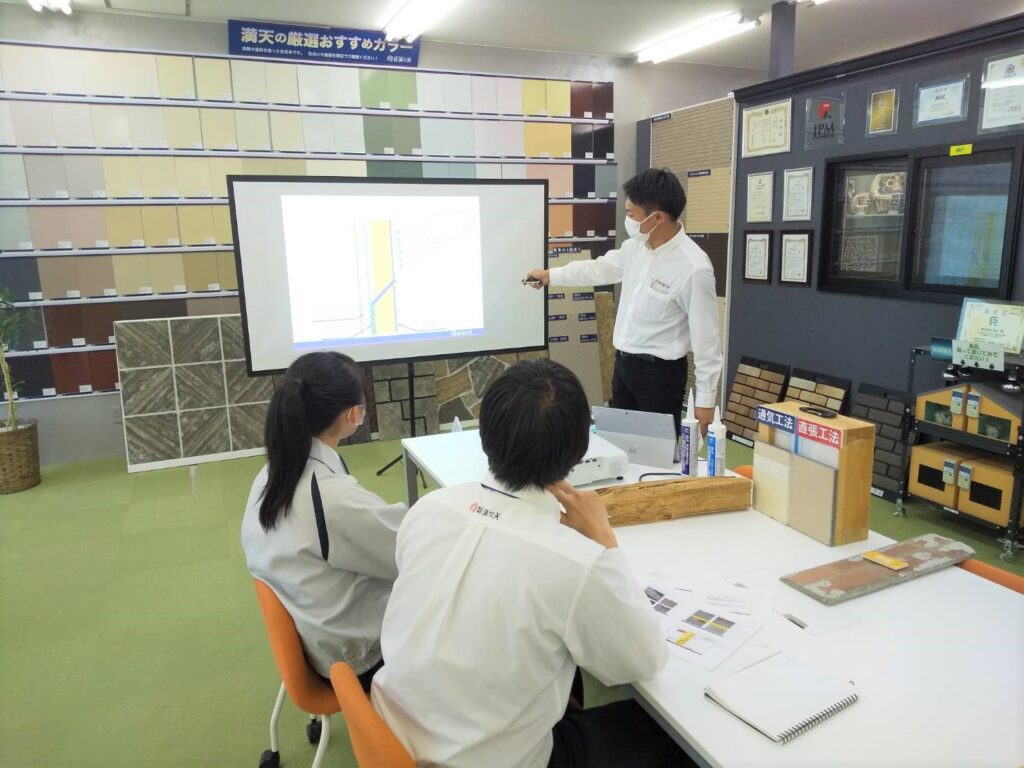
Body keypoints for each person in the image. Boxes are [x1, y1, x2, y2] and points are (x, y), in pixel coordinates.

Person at [372, 359, 689, 768]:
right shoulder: (575, 564)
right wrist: (605, 541)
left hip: (394, 734)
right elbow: (642, 660)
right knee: (667, 736)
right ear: (577, 452)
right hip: (491, 759)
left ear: (485, 435)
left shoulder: (428, 508)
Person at [241, 351, 406, 691]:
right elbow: (406, 551)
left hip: (314, 632)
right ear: (351, 415)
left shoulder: (274, 471)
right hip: (357, 657)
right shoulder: (329, 498)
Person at [527, 168, 723, 435]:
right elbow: (598, 269)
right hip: (624, 367)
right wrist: (551, 275)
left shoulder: (693, 268)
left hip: (660, 377)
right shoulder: (635, 249)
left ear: (657, 218)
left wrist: (705, 402)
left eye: (632, 214)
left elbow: (707, 343)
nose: (627, 219)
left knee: (657, 457)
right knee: (619, 446)